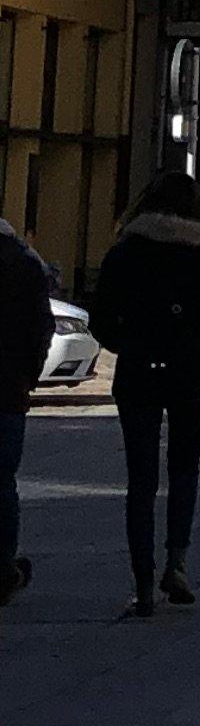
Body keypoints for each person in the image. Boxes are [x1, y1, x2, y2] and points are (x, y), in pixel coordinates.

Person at [85, 168, 200, 616]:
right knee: (185, 469)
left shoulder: (125, 253)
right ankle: (178, 563)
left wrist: (132, 343)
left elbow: (101, 319)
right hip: (191, 373)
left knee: (140, 478)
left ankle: (142, 583)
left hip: (137, 372)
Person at [0, 211, 55, 606]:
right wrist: (28, 377)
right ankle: (2, 569)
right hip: (6, 390)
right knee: (2, 483)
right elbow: (42, 327)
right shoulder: (22, 262)